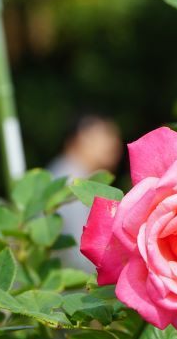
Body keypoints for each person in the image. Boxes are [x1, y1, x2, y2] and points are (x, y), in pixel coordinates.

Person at [46, 115, 122, 272]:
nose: (115, 144)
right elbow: (80, 254)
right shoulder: (71, 180)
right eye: (107, 134)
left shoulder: (63, 173)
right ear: (82, 135)